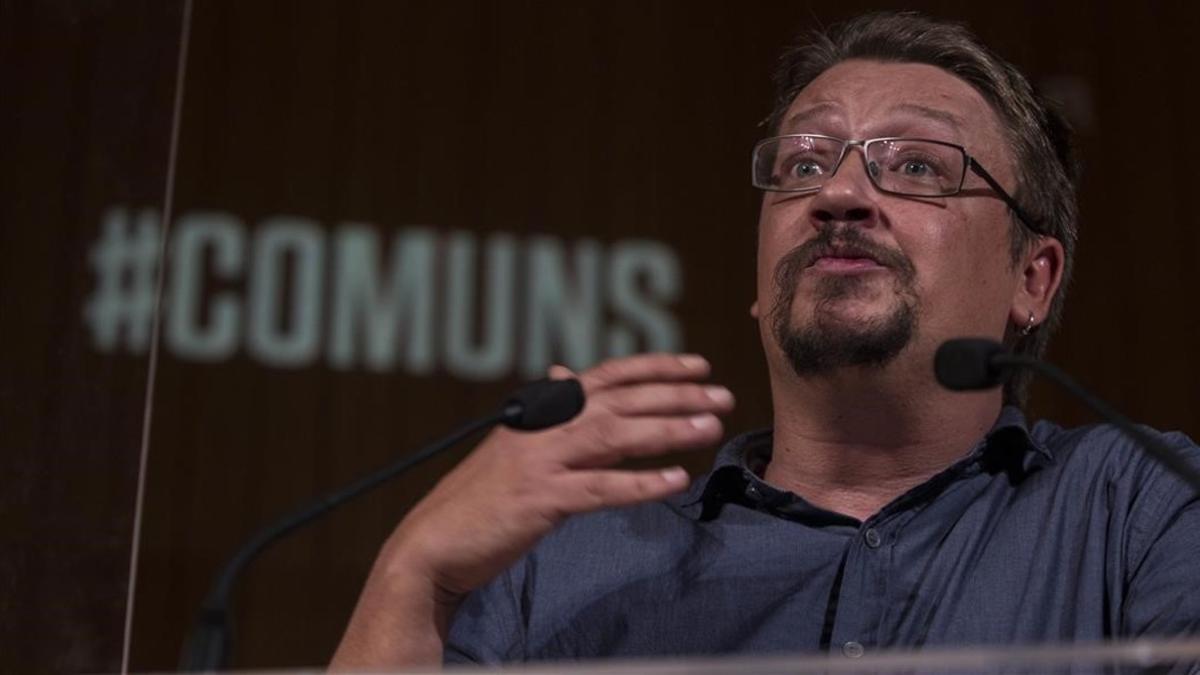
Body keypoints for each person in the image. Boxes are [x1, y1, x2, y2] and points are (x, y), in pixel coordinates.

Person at [331, 11, 1200, 669]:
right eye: (804, 163)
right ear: (758, 284)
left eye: (918, 166)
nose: (840, 195)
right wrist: (413, 576)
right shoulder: (558, 564)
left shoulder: (1142, 509)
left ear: (1032, 279)